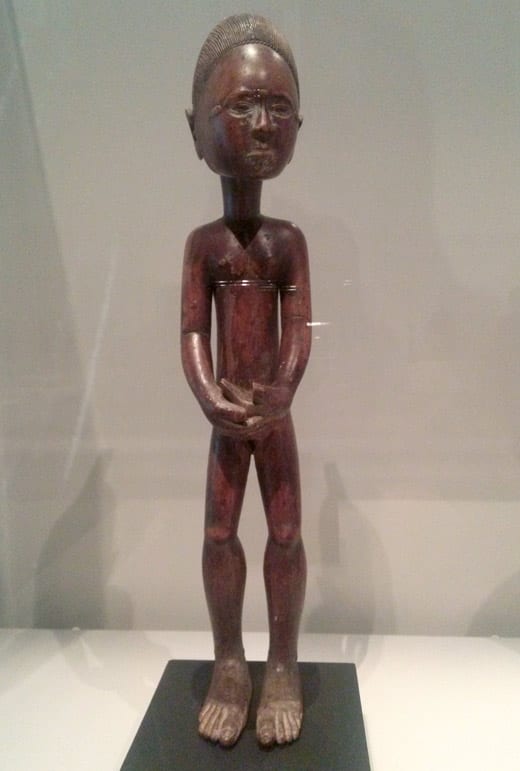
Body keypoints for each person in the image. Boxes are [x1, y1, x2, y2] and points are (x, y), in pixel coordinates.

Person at [181, 14, 311, 747]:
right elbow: (192, 333)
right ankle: (230, 663)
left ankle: (282, 664)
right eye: (241, 105)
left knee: (285, 532)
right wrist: (209, 394)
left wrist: (283, 389)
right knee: (218, 531)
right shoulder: (204, 247)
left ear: (299, 126)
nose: (263, 124)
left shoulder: (287, 243)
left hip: (273, 414)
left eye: (278, 108)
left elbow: (299, 330)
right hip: (228, 414)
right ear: (196, 128)